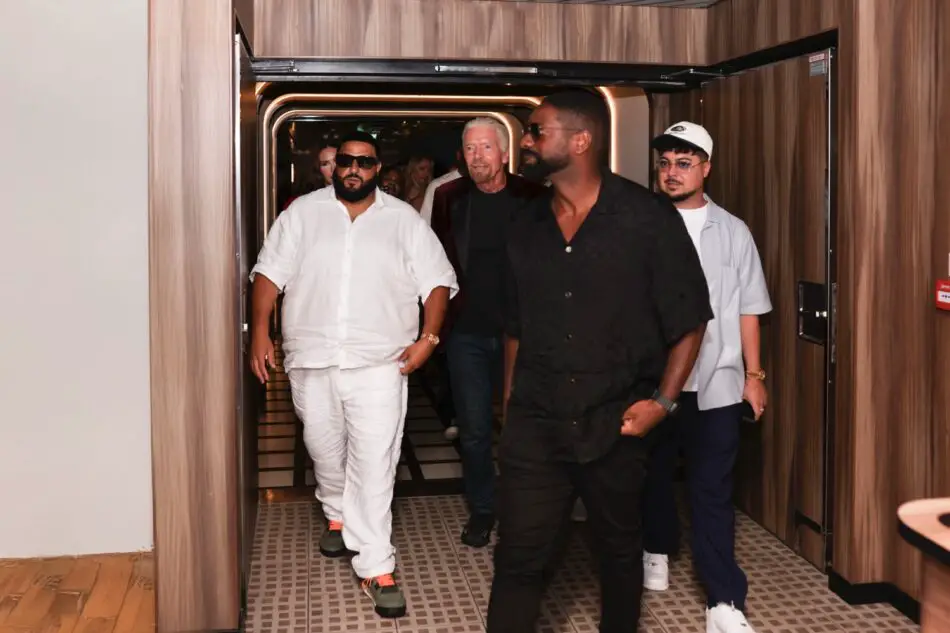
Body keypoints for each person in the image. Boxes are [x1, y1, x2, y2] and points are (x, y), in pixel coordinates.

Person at [486, 90, 713, 633]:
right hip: (536, 423)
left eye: (538, 131)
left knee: (617, 553)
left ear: (581, 140)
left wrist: (661, 403)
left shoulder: (647, 218)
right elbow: (515, 327)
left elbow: (691, 318)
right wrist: (510, 402)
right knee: (518, 556)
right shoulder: (523, 225)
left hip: (617, 421)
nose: (527, 141)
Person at [247, 131, 457, 618]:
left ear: (378, 169)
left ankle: (376, 564)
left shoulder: (402, 220)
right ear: (334, 166)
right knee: (324, 448)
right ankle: (337, 514)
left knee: (375, 461)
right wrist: (259, 331)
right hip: (312, 358)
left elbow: (438, 280)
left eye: (364, 162)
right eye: (346, 161)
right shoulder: (302, 214)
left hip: (380, 363)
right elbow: (268, 274)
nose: (354, 169)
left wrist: (428, 339)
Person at [642, 121, 771, 633]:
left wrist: (754, 375)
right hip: (652, 380)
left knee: (711, 489)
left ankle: (724, 600)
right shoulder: (642, 223)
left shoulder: (733, 231)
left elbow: (748, 310)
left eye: (684, 163)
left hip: (716, 380)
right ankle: (656, 547)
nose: (671, 173)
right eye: (666, 163)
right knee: (650, 475)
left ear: (706, 168)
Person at [430, 117, 546, 548]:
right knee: (475, 430)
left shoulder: (535, 198)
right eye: (470, 149)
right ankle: (482, 509)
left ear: (504, 153)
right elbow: (436, 263)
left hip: (526, 334)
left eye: (486, 148)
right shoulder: (448, 197)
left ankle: (525, 509)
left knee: (524, 427)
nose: (478, 157)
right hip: (467, 335)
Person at [420, 149, 464, 225]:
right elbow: (425, 223)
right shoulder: (438, 185)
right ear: (459, 155)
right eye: (469, 149)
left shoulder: (488, 186)